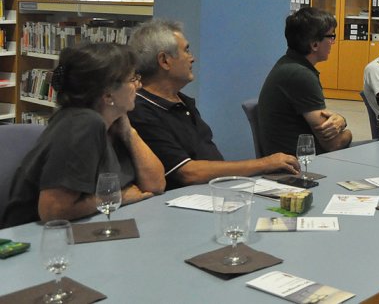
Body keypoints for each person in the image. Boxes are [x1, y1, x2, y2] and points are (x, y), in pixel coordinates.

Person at [2, 43, 165, 228]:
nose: (139, 84)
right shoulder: (82, 125)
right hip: (35, 240)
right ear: (108, 95)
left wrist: (129, 133)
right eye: (132, 79)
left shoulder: (112, 123)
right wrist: (116, 197)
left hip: (90, 227)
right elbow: (52, 211)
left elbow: (156, 184)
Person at [127, 20, 299, 190]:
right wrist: (264, 163)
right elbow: (188, 173)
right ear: (164, 61)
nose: (192, 58)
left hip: (214, 192)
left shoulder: (182, 101)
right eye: (186, 50)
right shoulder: (141, 111)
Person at [258, 7, 352, 155]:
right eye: (331, 37)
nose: (333, 42)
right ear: (314, 45)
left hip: (294, 158)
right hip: (300, 165)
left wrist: (340, 120)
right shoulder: (300, 75)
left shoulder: (288, 64)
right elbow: (333, 144)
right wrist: (348, 131)